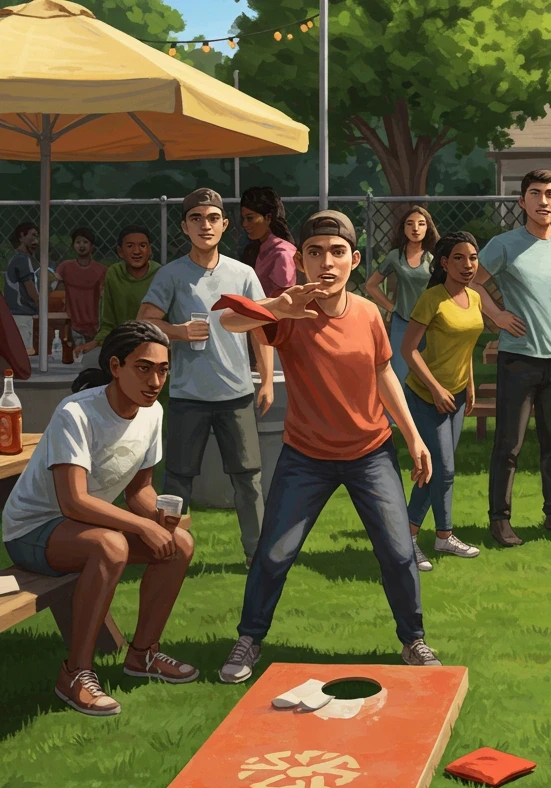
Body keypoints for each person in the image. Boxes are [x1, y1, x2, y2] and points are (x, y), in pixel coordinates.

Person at [216, 210, 439, 683]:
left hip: (371, 453)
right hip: (307, 457)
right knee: (275, 554)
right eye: (314, 253)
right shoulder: (290, 309)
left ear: (354, 260)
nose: (326, 263)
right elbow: (229, 321)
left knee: (399, 553)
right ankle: (249, 640)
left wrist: (414, 437)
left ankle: (413, 640)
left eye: (337, 252)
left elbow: (382, 374)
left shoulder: (368, 313)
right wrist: (278, 307)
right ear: (299, 260)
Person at [2, 321, 197, 717]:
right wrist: (142, 525)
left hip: (83, 528)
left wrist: (161, 516)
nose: (155, 380)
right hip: (33, 530)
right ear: (115, 366)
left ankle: (142, 653)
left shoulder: (153, 412)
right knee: (111, 545)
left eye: (163, 369)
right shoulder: (77, 412)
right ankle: (75, 673)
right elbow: (73, 502)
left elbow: (137, 491)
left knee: (179, 546)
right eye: (144, 368)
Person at [137, 188, 273, 568]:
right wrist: (178, 331)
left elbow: (262, 327)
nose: (205, 225)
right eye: (196, 218)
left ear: (225, 225)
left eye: (212, 218)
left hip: (237, 395)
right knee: (178, 479)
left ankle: (256, 556)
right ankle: (169, 552)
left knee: (248, 478)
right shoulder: (172, 274)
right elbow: (144, 319)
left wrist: (264, 381)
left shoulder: (242, 273)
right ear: (185, 226)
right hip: (187, 395)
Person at [473, 169, 551, 547]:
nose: (544, 201)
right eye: (536, 194)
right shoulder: (504, 244)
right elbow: (473, 282)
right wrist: (497, 315)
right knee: (508, 446)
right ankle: (499, 519)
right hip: (518, 360)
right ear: (522, 201)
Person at [401, 231, 485, 570]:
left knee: (435, 470)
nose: (468, 265)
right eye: (460, 259)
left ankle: (426, 538)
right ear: (445, 263)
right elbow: (407, 350)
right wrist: (435, 388)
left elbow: (466, 349)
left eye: (473, 258)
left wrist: (471, 386)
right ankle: (432, 536)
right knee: (443, 470)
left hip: (459, 396)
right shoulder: (432, 299)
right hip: (426, 395)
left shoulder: (475, 298)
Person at [366, 205, 439, 391]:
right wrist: (392, 307)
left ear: (428, 228)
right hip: (403, 321)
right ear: (403, 228)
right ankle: (394, 418)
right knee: (399, 372)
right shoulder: (394, 256)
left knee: (428, 373)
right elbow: (371, 285)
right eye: (410, 224)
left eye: (421, 224)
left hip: (430, 324)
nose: (415, 228)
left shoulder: (435, 257)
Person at [76, 225, 160, 360]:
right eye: (130, 246)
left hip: (155, 343)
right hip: (121, 343)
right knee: (90, 361)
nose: (137, 251)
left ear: (149, 250)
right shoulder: (113, 273)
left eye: (143, 246)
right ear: (120, 251)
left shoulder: (161, 274)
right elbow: (108, 321)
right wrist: (97, 341)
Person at [54, 228, 108, 353]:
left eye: (85, 242)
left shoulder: (102, 270)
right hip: (74, 324)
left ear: (92, 246)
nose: (81, 245)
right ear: (73, 245)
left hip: (96, 325)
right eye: (78, 242)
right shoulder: (65, 267)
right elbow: (55, 289)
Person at [240, 186, 297, 299]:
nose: (245, 224)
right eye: (243, 219)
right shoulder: (256, 249)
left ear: (268, 217)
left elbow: (286, 300)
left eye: (250, 218)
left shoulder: (282, 254)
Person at [5, 222, 40, 354]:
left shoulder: (17, 259)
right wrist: (40, 304)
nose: (36, 241)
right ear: (22, 236)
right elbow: (30, 287)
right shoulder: (22, 260)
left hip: (18, 313)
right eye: (33, 235)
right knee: (24, 352)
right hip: (21, 313)